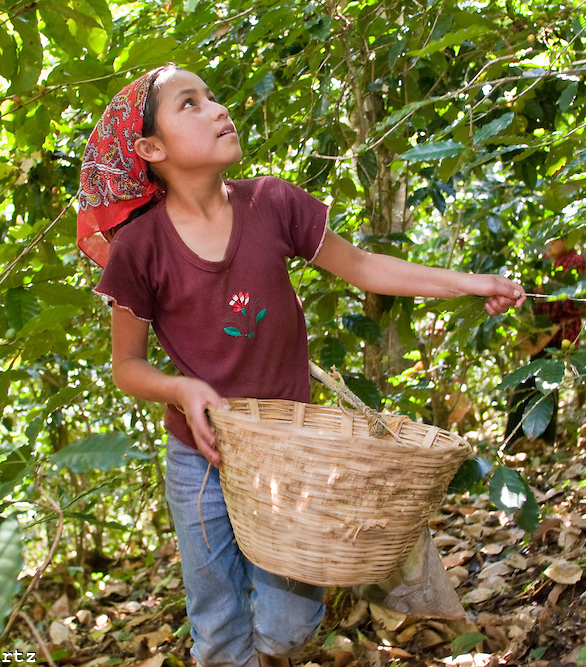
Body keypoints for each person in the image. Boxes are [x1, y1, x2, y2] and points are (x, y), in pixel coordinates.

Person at [77, 65, 526, 667]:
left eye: (213, 95)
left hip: (294, 456)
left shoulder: (271, 202)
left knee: (291, 622)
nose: (217, 108)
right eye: (190, 104)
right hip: (202, 460)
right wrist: (181, 388)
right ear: (151, 149)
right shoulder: (142, 247)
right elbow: (126, 366)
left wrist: (471, 284)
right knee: (216, 625)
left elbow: (365, 267)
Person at [505, 237, 586, 449]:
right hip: (541, 331)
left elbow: (584, 299)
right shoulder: (543, 261)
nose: (549, 245)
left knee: (545, 382)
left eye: (554, 241)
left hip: (561, 332)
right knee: (534, 381)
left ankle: (539, 441)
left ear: (566, 240)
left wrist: (558, 310)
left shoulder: (578, 262)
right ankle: (524, 440)